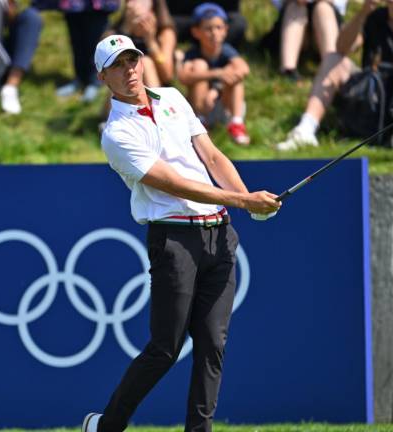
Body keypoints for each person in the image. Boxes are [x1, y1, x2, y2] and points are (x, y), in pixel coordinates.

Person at [83, 34, 281, 432]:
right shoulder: (116, 134)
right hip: (174, 241)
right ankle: (106, 427)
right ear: (103, 76)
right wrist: (243, 201)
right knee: (165, 347)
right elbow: (175, 183)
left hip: (219, 235)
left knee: (212, 344)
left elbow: (212, 156)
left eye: (132, 60)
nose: (129, 70)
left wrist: (247, 202)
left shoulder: (173, 97)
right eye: (117, 65)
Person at [275, 0, 393, 151]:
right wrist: (364, 12)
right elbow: (341, 47)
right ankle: (306, 128)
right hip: (374, 95)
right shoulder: (376, 17)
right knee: (333, 59)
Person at [178, 2, 250, 145]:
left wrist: (216, 89)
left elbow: (244, 69)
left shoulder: (227, 51)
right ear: (196, 32)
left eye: (218, 27)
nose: (214, 33)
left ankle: (237, 123)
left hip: (224, 106)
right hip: (200, 105)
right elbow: (183, 77)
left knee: (234, 71)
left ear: (225, 30)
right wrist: (217, 73)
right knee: (199, 65)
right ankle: (201, 123)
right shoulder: (193, 53)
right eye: (208, 29)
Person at [55, 0, 119, 102]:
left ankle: (95, 81)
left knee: (97, 41)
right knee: (77, 41)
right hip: (73, 4)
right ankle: (80, 78)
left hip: (98, 5)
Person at [106, 0, 176, 87]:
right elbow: (108, 68)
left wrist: (150, 41)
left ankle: (153, 96)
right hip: (123, 87)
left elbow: (167, 76)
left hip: (158, 87)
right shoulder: (113, 34)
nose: (135, 5)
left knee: (145, 62)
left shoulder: (164, 33)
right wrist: (125, 30)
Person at [275, 0, 347, 81]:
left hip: (327, 22)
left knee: (323, 8)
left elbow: (339, 4)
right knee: (296, 7)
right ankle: (288, 68)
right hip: (291, 27)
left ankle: (332, 67)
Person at [166, 0, 246, 48]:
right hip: (184, 18)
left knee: (238, 23)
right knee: (166, 25)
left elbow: (233, 11)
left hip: (218, 17)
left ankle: (217, 52)